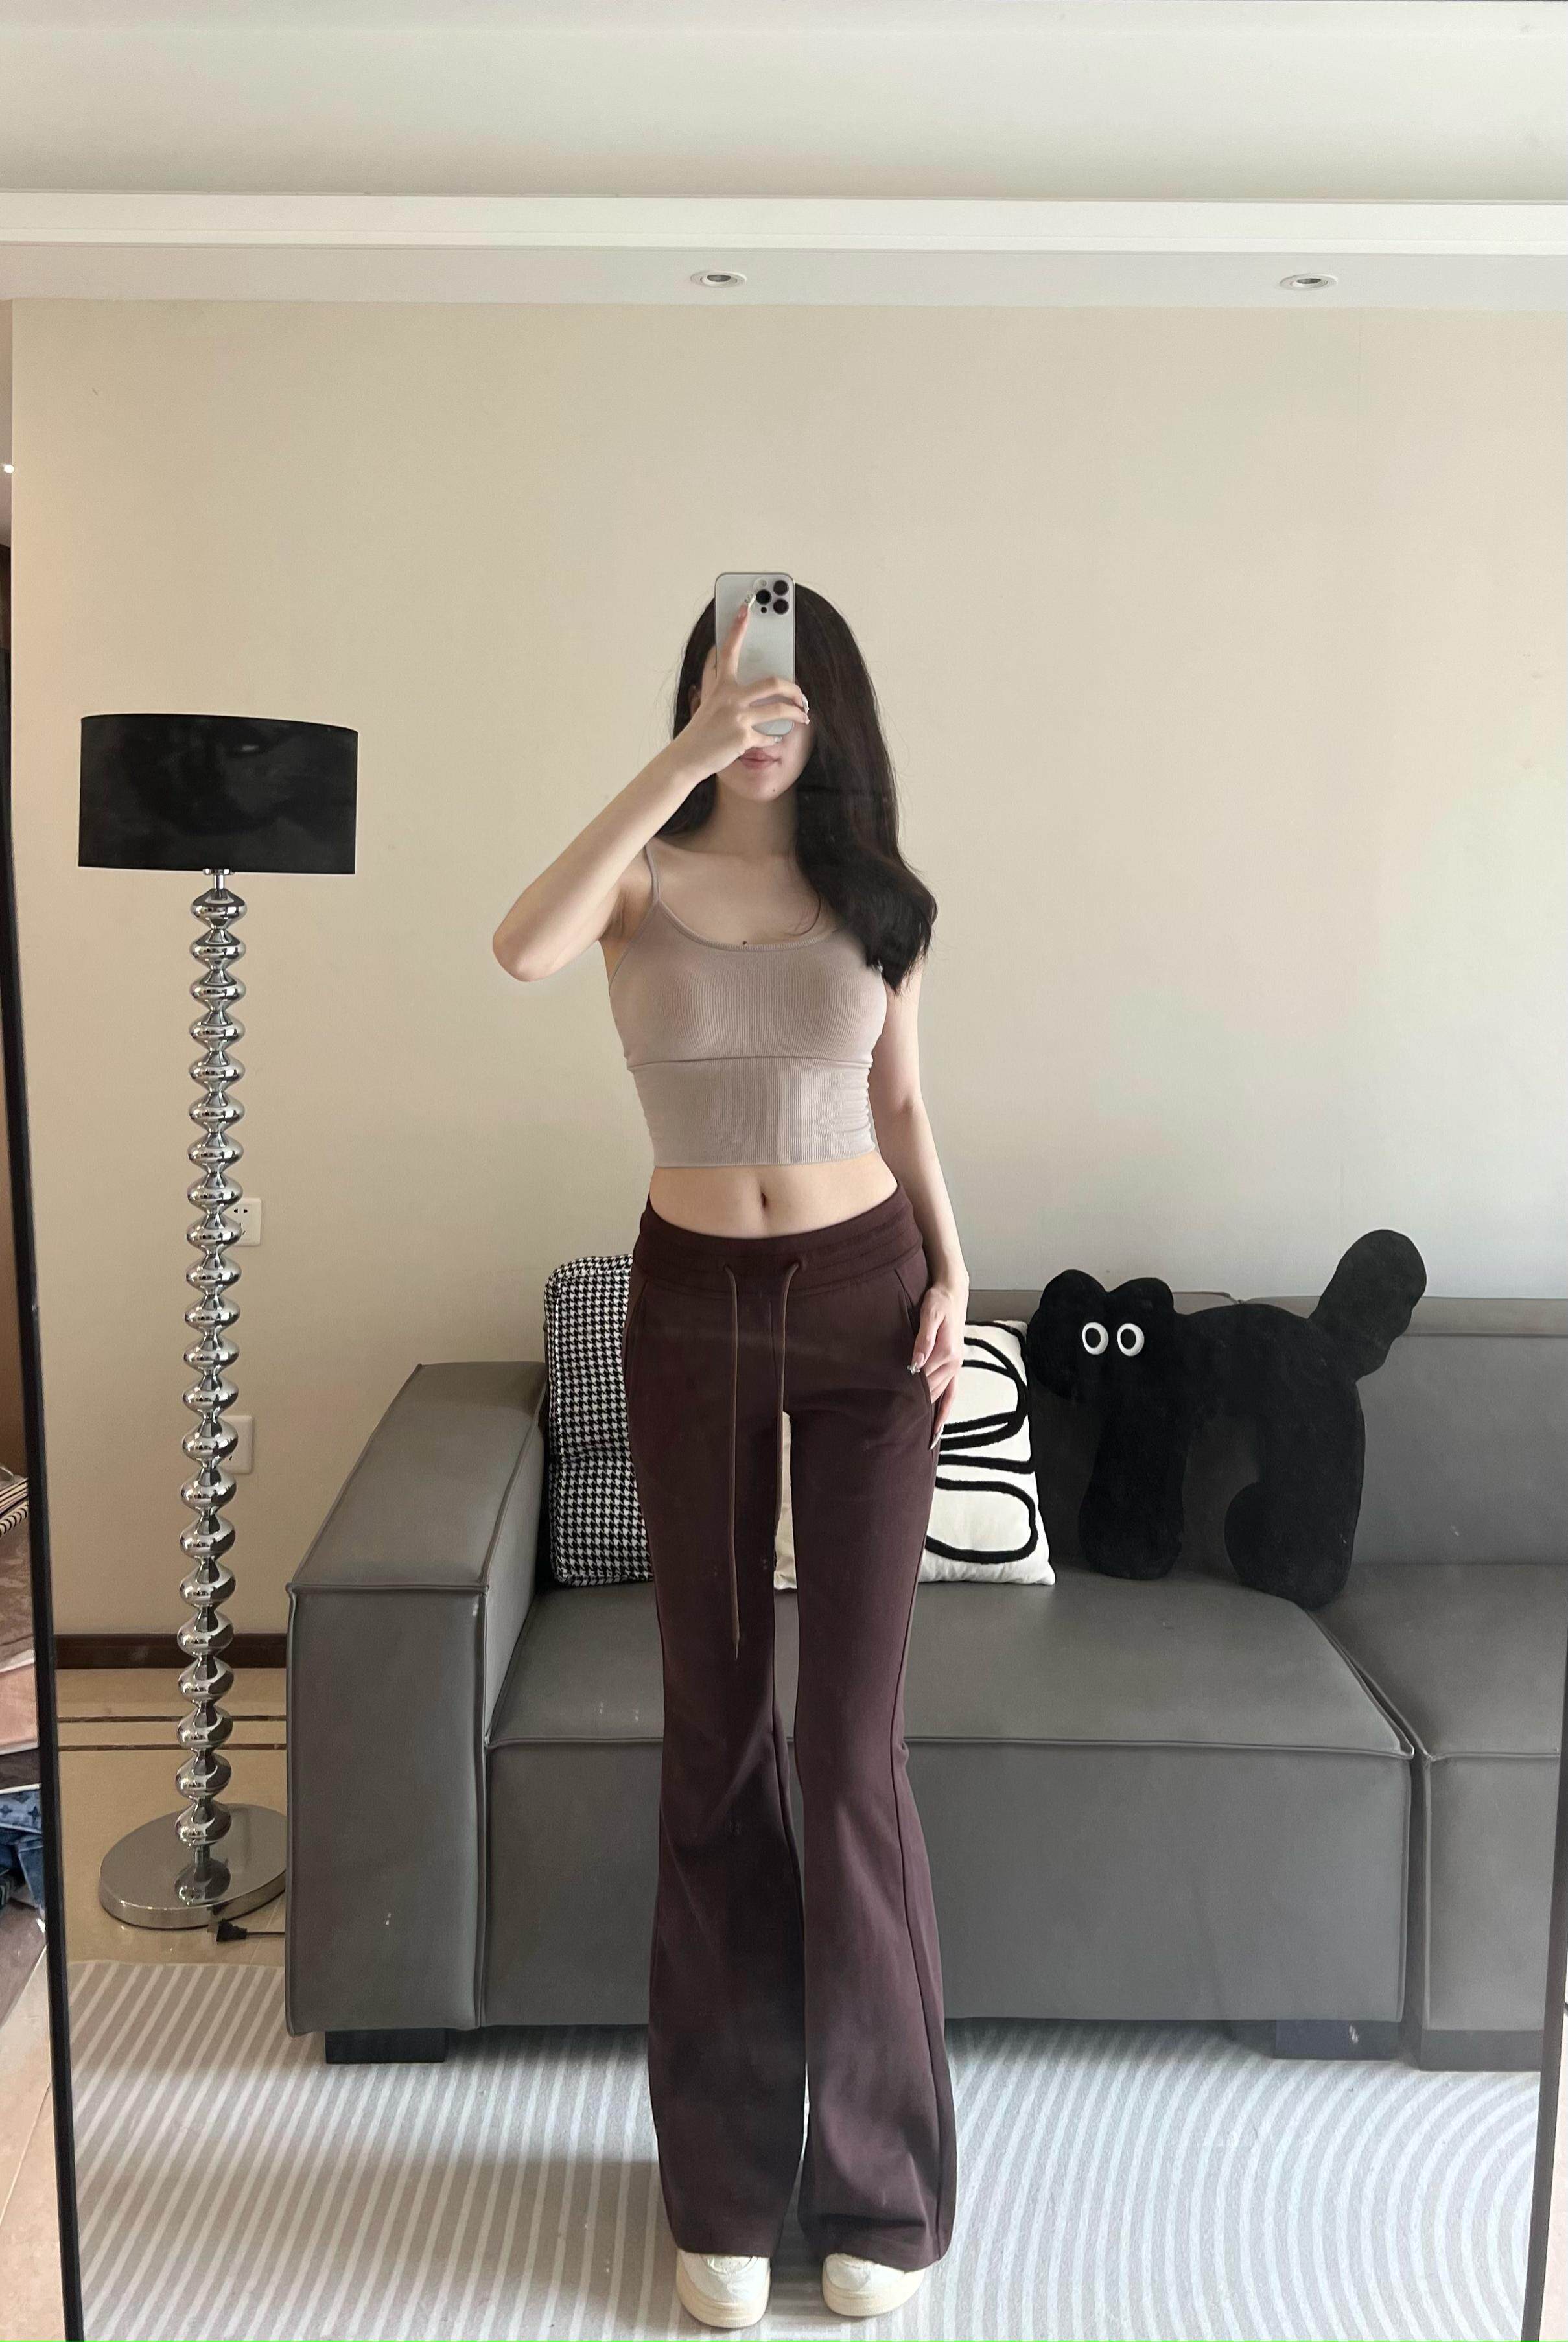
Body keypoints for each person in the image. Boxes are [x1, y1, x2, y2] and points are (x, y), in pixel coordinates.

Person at [493, 582, 966, 2330]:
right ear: (696, 694)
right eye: (729, 682)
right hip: (689, 1301)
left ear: (834, 710)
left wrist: (955, 1268)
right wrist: (678, 762)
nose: (761, 712)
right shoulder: (637, 881)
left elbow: (900, 1100)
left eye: (785, 688)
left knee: (847, 1754)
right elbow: (520, 948)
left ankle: (880, 2188)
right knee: (712, 1737)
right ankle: (721, 2186)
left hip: (867, 1300)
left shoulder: (878, 899)